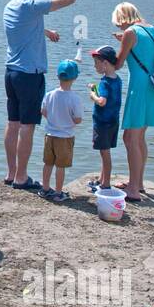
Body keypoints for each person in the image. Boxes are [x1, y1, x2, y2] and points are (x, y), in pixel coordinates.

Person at [2, 0, 86, 191]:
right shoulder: (31, 5)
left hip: (11, 73)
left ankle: (10, 173)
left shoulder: (11, 5)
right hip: (30, 75)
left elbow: (23, 27)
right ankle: (21, 178)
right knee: (27, 126)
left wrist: (46, 32)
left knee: (12, 122)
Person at [110, 2, 154, 202]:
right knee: (139, 137)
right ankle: (138, 182)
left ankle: (133, 189)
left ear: (122, 18)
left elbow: (118, 64)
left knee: (130, 138)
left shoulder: (130, 32)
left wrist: (103, 57)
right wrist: (125, 40)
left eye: (119, 23)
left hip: (140, 88)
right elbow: (145, 50)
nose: (120, 28)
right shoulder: (152, 29)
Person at [40, 59, 84, 202]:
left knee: (48, 163)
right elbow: (78, 119)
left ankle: (45, 189)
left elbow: (43, 111)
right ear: (75, 78)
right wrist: (69, 121)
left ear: (58, 76)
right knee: (60, 166)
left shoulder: (49, 94)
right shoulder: (74, 98)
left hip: (49, 134)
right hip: (65, 137)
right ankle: (58, 193)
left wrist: (53, 119)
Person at [88, 45, 123, 193]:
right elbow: (108, 96)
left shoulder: (105, 82)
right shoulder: (117, 79)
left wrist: (93, 95)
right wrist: (94, 88)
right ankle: (102, 180)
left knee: (104, 153)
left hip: (102, 123)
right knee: (105, 151)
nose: (95, 66)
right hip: (113, 121)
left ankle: (105, 184)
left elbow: (102, 101)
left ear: (105, 63)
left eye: (96, 63)